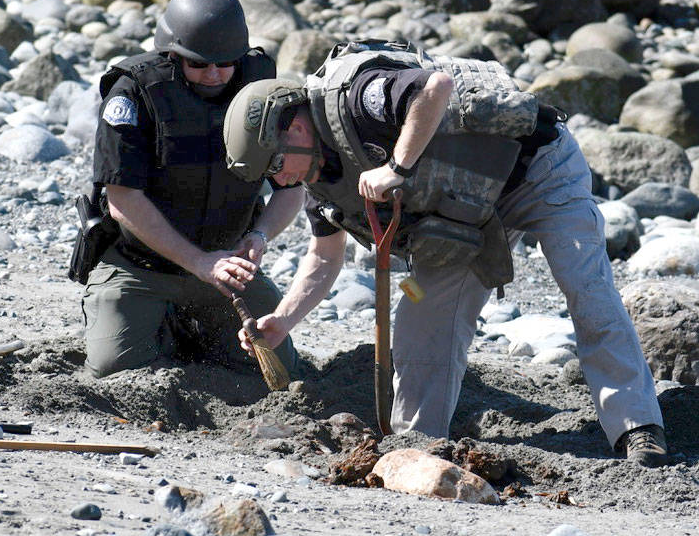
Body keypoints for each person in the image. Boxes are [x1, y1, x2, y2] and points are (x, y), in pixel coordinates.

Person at [222, 40, 670, 466]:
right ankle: (418, 443)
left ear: (296, 129)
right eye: (270, 176)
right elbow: (324, 258)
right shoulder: (319, 184)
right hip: (465, 217)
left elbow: (434, 88)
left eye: (276, 166)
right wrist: (282, 320)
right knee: (420, 316)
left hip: (536, 170)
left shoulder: (358, 97)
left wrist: (395, 167)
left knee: (585, 287)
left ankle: (637, 426)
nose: (280, 182)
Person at [80, 0, 303, 379]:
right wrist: (199, 262)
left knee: (281, 370)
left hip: (226, 267)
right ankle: (163, 321)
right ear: (172, 52)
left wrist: (260, 235)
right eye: (198, 63)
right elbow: (122, 198)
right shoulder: (134, 94)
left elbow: (293, 187)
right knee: (114, 369)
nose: (214, 73)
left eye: (225, 62)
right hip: (140, 267)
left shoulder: (260, 94)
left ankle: (188, 325)